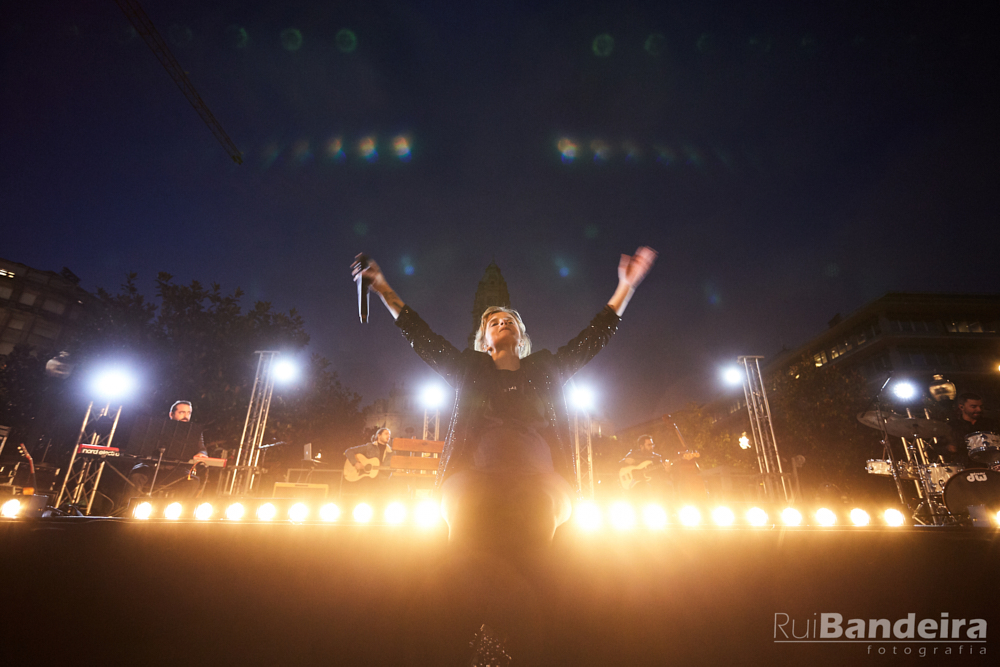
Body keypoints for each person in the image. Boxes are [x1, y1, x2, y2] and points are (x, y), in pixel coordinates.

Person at [352, 247, 656, 550]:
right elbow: (421, 335)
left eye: (509, 320)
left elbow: (594, 337)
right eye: (493, 322)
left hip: (541, 479)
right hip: (474, 478)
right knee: (467, 518)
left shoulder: (547, 368)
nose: (502, 322)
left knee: (536, 513)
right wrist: (381, 287)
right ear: (484, 343)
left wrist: (625, 286)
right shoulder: (468, 369)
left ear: (521, 339)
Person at [126, 401, 208, 500]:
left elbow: (202, 450)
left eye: (189, 413)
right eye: (182, 412)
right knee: (137, 475)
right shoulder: (156, 427)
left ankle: (178, 512)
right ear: (171, 414)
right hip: (149, 467)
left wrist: (201, 454)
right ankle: (128, 509)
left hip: (176, 470)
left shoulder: (194, 432)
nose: (186, 416)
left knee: (193, 481)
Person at [944, 393, 1000, 468]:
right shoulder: (952, 426)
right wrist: (948, 448)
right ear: (961, 407)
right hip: (965, 467)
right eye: (974, 407)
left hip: (990, 466)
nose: (979, 409)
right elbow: (938, 447)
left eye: (981, 406)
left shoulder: (991, 423)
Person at [343, 428, 394, 497]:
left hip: (382, 483)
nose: (388, 436)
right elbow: (348, 451)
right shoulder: (369, 447)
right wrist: (355, 463)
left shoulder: (391, 453)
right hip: (366, 482)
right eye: (386, 434)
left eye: (389, 435)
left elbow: (389, 469)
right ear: (379, 436)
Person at [618, 435, 669, 499]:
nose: (652, 447)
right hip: (635, 486)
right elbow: (618, 465)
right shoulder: (634, 454)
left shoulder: (656, 458)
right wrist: (625, 461)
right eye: (649, 445)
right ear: (641, 446)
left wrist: (667, 470)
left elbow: (662, 474)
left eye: (652, 444)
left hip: (652, 486)